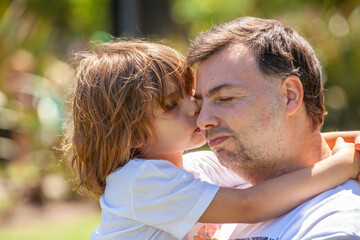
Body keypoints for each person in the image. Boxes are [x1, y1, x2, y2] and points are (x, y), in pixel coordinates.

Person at [61, 39, 359, 240]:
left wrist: (353, 142)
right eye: (172, 104)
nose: (196, 108)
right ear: (134, 133)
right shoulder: (138, 184)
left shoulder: (195, 170)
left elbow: (277, 149)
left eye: (192, 94)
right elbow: (249, 205)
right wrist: (343, 165)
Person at [185, 16, 360, 239]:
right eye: (199, 103)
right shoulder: (209, 178)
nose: (202, 121)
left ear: (289, 96)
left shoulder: (336, 224)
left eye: (225, 98)